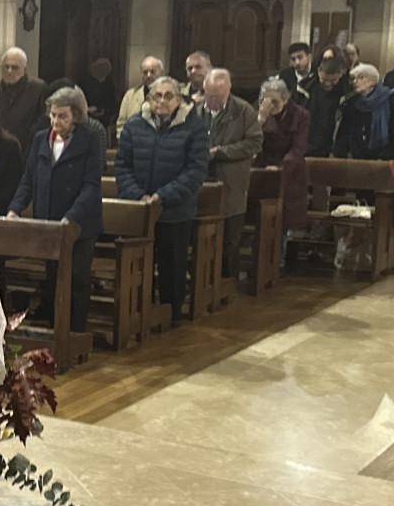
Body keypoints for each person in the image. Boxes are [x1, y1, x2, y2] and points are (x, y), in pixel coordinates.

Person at [116, 75, 209, 325]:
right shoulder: (135, 125)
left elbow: (195, 171)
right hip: (140, 208)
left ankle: (171, 313)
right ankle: (139, 311)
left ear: (179, 99)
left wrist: (162, 197)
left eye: (169, 96)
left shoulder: (194, 127)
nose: (162, 101)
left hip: (174, 210)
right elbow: (123, 166)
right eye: (157, 96)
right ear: (148, 98)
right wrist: (138, 196)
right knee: (140, 263)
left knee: (173, 264)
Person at [8, 86, 103, 321]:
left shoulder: (90, 139)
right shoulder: (41, 138)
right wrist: (14, 209)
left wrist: (71, 217)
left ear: (76, 116)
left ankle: (75, 329)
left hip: (79, 224)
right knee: (52, 277)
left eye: (63, 116)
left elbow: (91, 186)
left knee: (77, 278)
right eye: (53, 115)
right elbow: (28, 180)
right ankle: (54, 328)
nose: (56, 121)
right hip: (48, 221)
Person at [197, 69, 262, 277]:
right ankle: (202, 280)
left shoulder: (243, 111)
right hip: (201, 182)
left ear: (228, 90)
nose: (214, 100)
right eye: (210, 95)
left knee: (229, 240)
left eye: (219, 95)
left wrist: (221, 152)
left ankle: (227, 282)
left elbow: (254, 142)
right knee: (202, 237)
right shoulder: (196, 111)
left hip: (231, 183)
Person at [256, 78, 310, 235]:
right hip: (263, 169)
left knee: (283, 222)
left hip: (289, 171)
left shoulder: (300, 115)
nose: (270, 106)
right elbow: (251, 141)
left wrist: (280, 167)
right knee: (261, 221)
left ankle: (280, 258)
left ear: (285, 100)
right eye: (265, 101)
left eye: (275, 102)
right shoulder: (258, 112)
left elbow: (299, 148)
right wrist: (260, 119)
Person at [333, 63, 394, 162]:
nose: (355, 82)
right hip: (358, 158)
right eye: (354, 79)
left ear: (373, 80)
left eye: (361, 77)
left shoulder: (391, 98)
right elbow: (344, 132)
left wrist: (387, 155)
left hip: (386, 158)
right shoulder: (352, 102)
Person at [0, 45, 48, 148]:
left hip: (27, 149)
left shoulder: (38, 90)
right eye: (6, 67)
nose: (9, 71)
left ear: (24, 70)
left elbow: (43, 122)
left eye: (15, 68)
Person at [298, 49, 349, 157]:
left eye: (333, 80)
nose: (328, 84)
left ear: (341, 74)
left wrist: (337, 151)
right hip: (306, 144)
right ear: (318, 71)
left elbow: (348, 127)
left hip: (332, 148)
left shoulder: (347, 93)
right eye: (324, 79)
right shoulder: (303, 89)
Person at [117, 55, 164, 126]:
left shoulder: (171, 96)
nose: (148, 75)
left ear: (162, 73)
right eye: (145, 72)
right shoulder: (130, 96)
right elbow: (121, 124)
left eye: (152, 72)